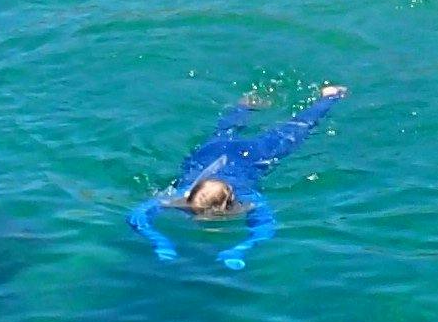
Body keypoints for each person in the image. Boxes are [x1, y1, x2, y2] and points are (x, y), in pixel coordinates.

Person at [134, 85, 346, 269]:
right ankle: (248, 106)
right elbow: (136, 217)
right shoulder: (183, 197)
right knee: (277, 130)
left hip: (249, 156)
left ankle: (329, 97)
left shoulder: (248, 199)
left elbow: (266, 227)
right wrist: (160, 243)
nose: (195, 217)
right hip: (212, 153)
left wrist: (238, 250)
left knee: (290, 132)